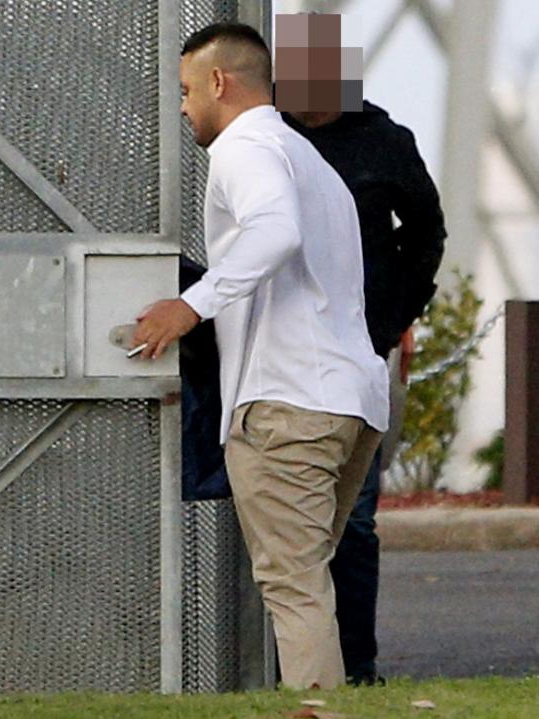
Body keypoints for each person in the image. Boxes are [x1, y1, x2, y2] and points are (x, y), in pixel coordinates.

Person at [133, 22, 389, 690]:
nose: (183, 106)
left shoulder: (243, 148)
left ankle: (316, 710)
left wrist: (190, 305)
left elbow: (272, 231)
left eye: (185, 90)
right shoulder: (310, 160)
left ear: (218, 82)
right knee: (309, 582)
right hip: (350, 402)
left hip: (285, 405)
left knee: (293, 586)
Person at [282, 102, 446, 686]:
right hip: (279, 354)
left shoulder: (384, 140)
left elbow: (428, 233)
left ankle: (356, 667)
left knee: (351, 517)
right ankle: (283, 665)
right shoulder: (264, 134)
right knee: (281, 518)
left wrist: (395, 314)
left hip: (360, 352)